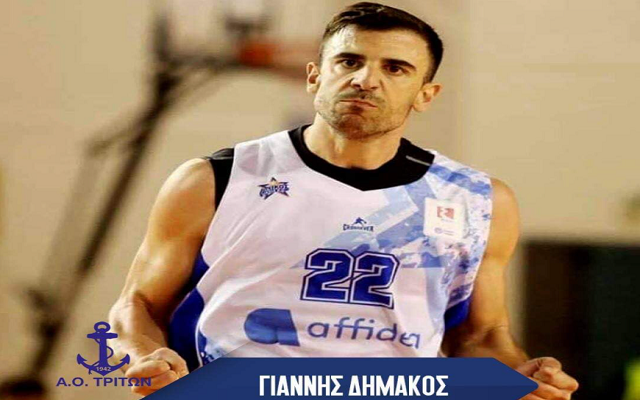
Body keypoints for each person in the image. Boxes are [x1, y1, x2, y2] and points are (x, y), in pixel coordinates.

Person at [109, 2, 579, 398]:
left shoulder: (477, 200)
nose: (365, 80)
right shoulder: (216, 179)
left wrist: (518, 379)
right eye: (349, 62)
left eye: (394, 68)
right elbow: (138, 304)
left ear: (426, 94)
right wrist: (145, 355)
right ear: (314, 76)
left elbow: (481, 336)